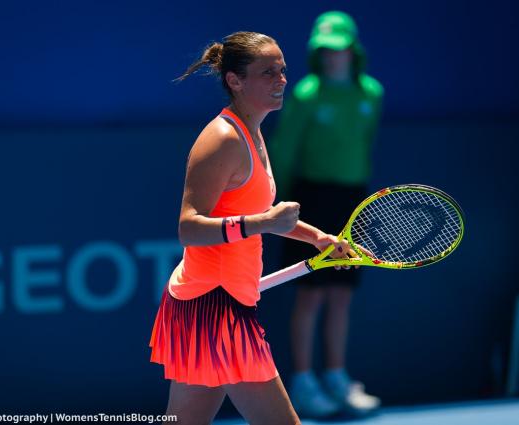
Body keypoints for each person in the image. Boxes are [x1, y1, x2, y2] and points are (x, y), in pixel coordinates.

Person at [149, 31, 358, 425]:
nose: (281, 80)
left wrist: (317, 238)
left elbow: (261, 211)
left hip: (205, 302)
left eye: (282, 70)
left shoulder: (254, 133)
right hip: (216, 307)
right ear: (235, 81)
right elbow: (189, 227)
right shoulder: (223, 139)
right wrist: (261, 223)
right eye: (267, 73)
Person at [269, 11, 384, 418]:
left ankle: (336, 376)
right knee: (311, 293)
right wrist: (276, 202)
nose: (332, 56)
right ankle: (303, 382)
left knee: (342, 294)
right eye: (325, 50)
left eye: (338, 49)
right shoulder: (305, 94)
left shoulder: (371, 93)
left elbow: (364, 145)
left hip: (354, 200)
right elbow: (284, 150)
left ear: (352, 50)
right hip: (311, 197)